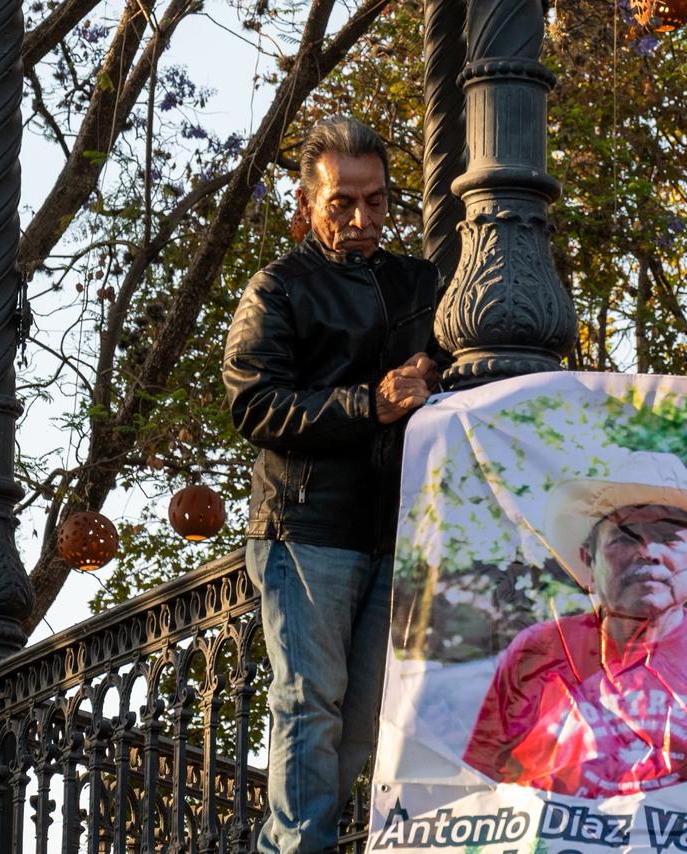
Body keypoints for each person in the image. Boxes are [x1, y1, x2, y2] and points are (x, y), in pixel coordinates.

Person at [223, 115, 443, 853]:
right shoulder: (278, 288)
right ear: (307, 203)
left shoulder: (420, 282)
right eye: (342, 202)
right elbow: (253, 403)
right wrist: (368, 403)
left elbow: (459, 370)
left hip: (395, 532)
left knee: (362, 723)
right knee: (307, 707)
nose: (361, 217)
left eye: (375, 201)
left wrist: (435, 373)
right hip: (304, 529)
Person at [463, 450, 687, 799]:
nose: (648, 552)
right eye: (625, 537)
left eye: (670, 537)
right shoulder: (537, 652)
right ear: (589, 560)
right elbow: (479, 785)